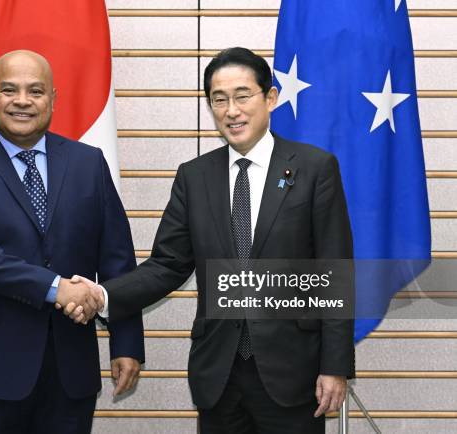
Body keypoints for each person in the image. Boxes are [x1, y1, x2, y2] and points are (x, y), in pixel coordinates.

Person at [63, 47, 355, 433]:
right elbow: (167, 265)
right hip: (219, 373)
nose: (231, 110)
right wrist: (102, 295)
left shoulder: (315, 168)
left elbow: (333, 272)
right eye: (219, 100)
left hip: (292, 373)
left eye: (242, 95)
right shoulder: (194, 176)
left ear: (270, 98)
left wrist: (334, 367)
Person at [0, 49, 144, 434]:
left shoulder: (88, 162)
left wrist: (126, 342)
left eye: (36, 91)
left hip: (70, 369)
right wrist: (56, 288)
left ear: (53, 99)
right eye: (10, 90)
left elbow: (116, 256)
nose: (23, 101)